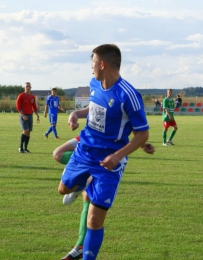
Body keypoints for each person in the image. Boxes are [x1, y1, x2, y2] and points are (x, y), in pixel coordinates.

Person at [57, 44, 155, 260]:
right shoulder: (94, 83)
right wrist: (76, 113)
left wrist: (118, 156)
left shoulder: (128, 94)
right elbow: (93, 108)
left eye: (92, 62)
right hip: (85, 151)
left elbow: (143, 133)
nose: (90, 67)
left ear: (102, 64)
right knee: (63, 189)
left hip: (109, 163)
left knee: (94, 220)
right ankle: (83, 184)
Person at [53, 136, 89, 260]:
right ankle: (79, 183)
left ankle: (81, 246)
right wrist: (75, 115)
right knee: (58, 154)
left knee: (89, 197)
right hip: (89, 134)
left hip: (106, 142)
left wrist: (141, 142)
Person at [16, 82, 40, 153]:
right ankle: (21, 147)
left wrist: (37, 115)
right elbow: (18, 107)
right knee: (25, 130)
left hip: (30, 115)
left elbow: (34, 106)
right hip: (23, 115)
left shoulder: (32, 97)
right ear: (24, 87)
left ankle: (26, 148)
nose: (28, 87)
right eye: (27, 86)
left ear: (31, 87)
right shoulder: (21, 96)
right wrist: (23, 115)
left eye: (29, 86)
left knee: (29, 132)